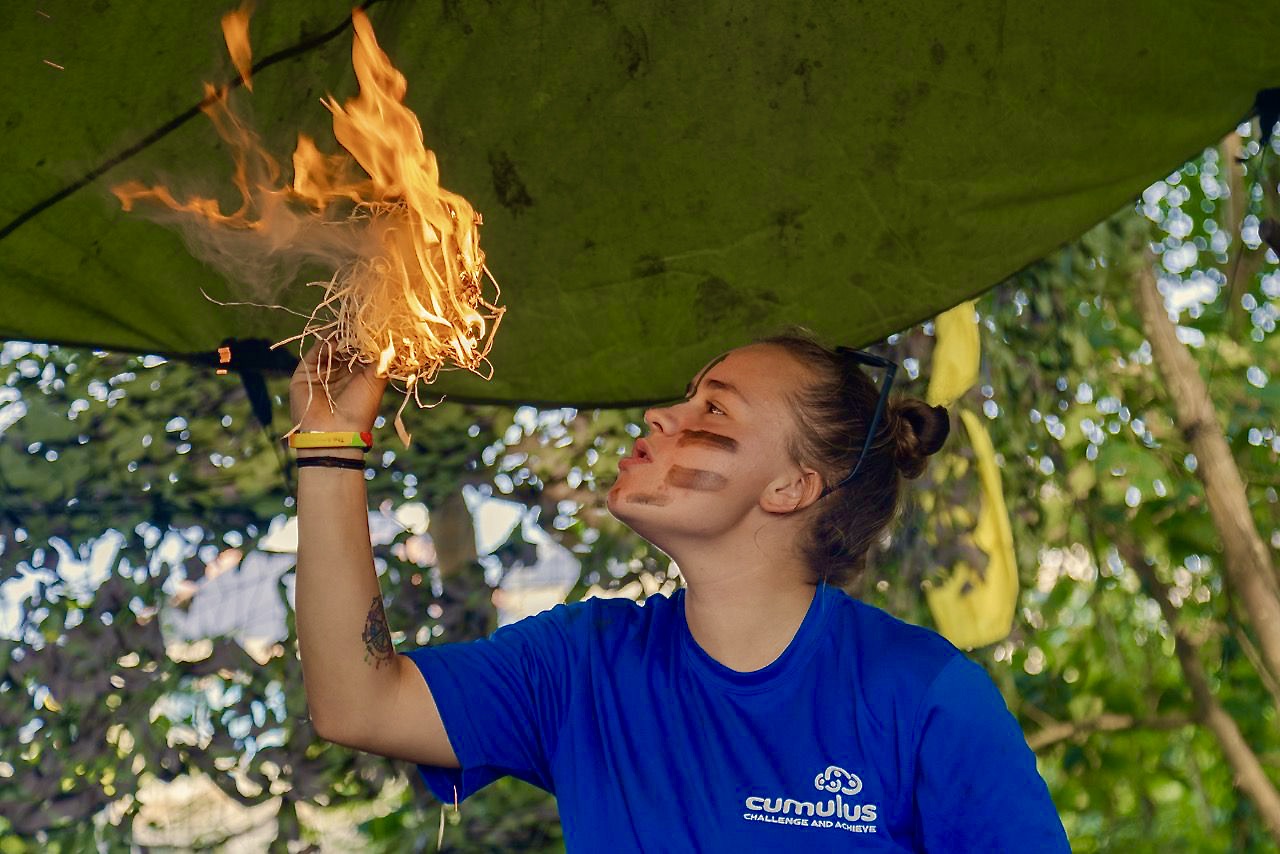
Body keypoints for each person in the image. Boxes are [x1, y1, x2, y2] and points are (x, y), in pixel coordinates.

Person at [290, 326, 1071, 852]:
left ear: (792, 487)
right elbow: (358, 703)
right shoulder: (581, 666)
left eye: (713, 408)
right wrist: (328, 442)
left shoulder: (927, 696)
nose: (662, 414)